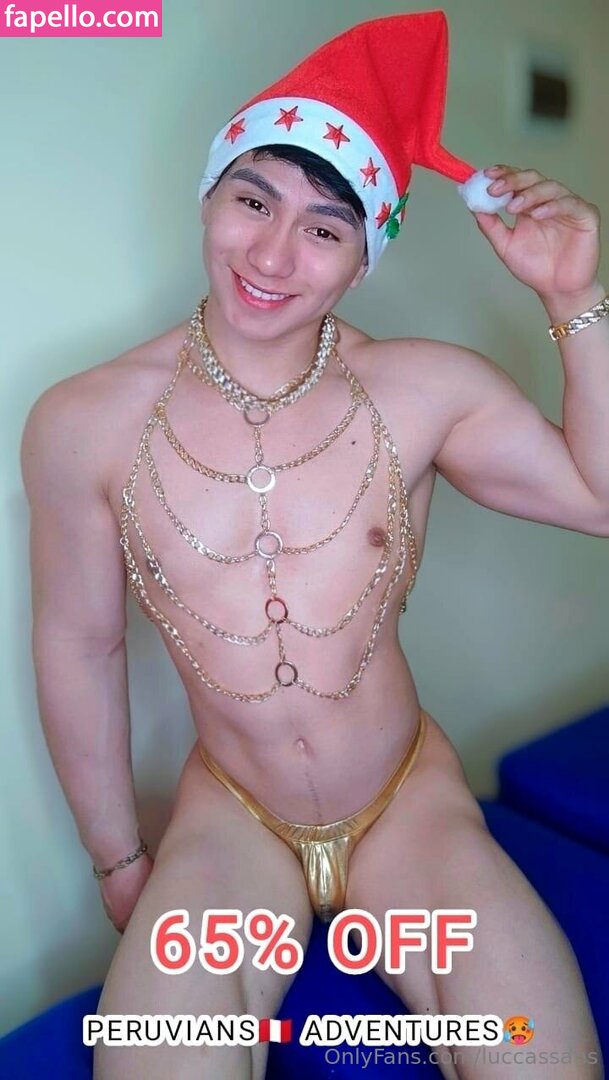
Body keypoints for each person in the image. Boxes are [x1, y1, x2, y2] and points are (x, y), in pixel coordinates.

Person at [20, 11, 606, 1080]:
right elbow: (78, 645)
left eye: (325, 230)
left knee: (540, 1062)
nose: (272, 255)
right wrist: (118, 857)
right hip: (230, 821)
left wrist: (574, 296)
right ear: (212, 196)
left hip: (407, 806)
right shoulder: (83, 421)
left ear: (364, 258)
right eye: (253, 201)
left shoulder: (422, 390)